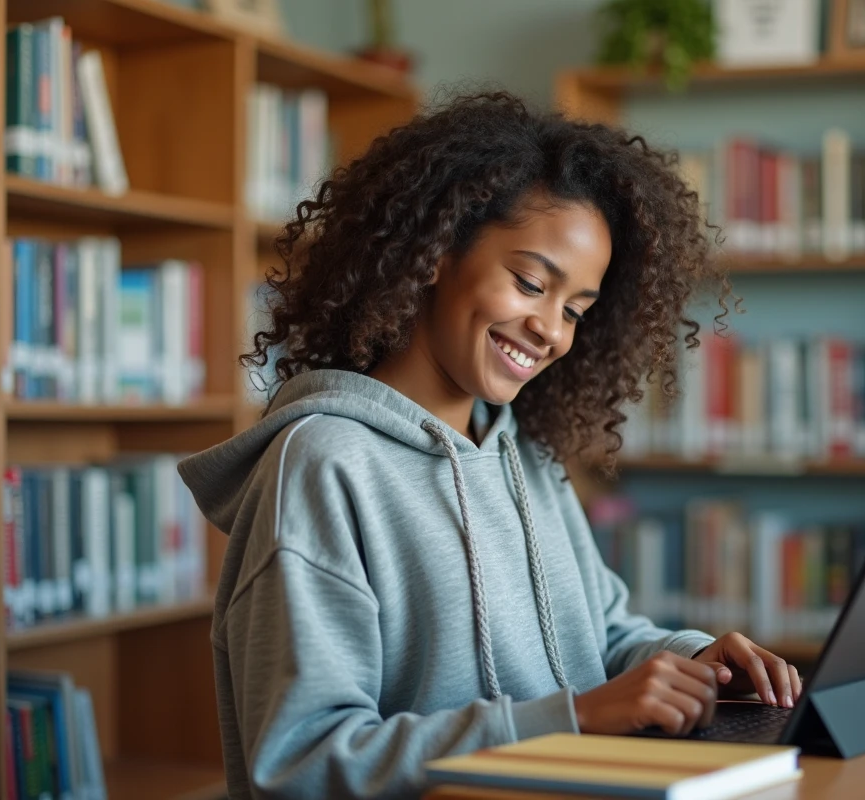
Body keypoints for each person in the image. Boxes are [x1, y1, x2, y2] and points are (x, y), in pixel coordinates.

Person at [179, 91, 802, 799]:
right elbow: (300, 763)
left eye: (575, 311)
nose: (552, 331)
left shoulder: (525, 457)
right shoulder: (324, 464)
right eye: (531, 284)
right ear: (433, 252)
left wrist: (696, 662)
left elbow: (601, 637)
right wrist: (573, 720)